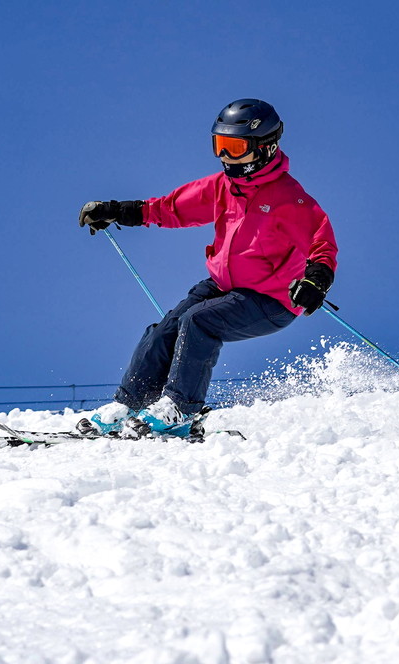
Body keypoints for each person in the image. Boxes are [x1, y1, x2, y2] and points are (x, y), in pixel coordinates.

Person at [76, 98, 338, 437]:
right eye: (220, 146)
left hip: (271, 300)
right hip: (224, 286)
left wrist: (316, 281)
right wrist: (117, 210)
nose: (225, 157)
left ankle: (181, 410)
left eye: (235, 147)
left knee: (200, 321)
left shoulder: (290, 198)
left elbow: (322, 242)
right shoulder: (223, 187)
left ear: (265, 148)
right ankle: (132, 403)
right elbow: (171, 208)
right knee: (166, 329)